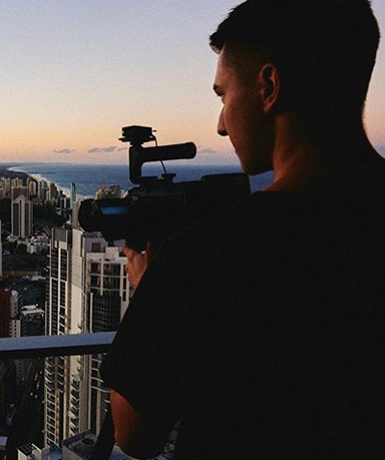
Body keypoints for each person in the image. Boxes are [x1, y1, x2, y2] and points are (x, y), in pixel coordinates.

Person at [99, 0, 385, 458]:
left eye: (223, 95)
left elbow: (133, 435)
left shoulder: (208, 253)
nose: (219, 125)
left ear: (269, 87)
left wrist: (151, 290)